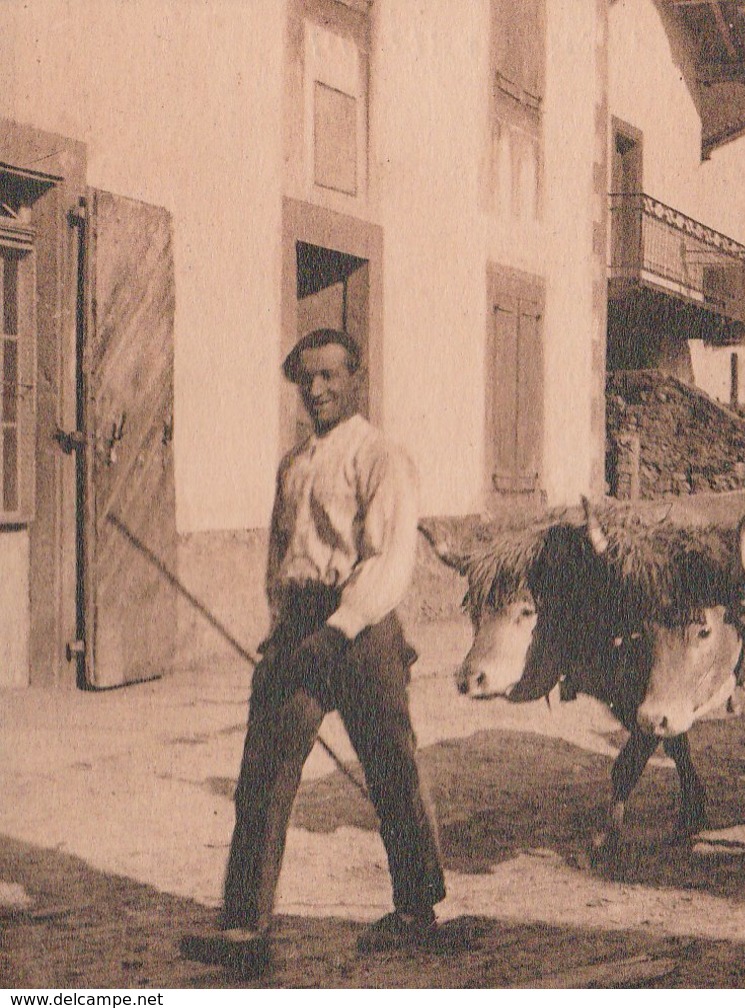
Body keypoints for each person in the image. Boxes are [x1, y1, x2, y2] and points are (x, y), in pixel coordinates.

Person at [180, 329, 447, 975]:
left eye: (329, 376)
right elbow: (282, 552)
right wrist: (281, 627)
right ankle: (246, 927)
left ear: (356, 378)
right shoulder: (294, 462)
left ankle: (416, 909)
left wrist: (339, 628)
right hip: (301, 630)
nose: (316, 389)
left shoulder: (381, 456)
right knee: (264, 774)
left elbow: (388, 558)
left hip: (362, 630)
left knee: (390, 770)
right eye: (306, 377)